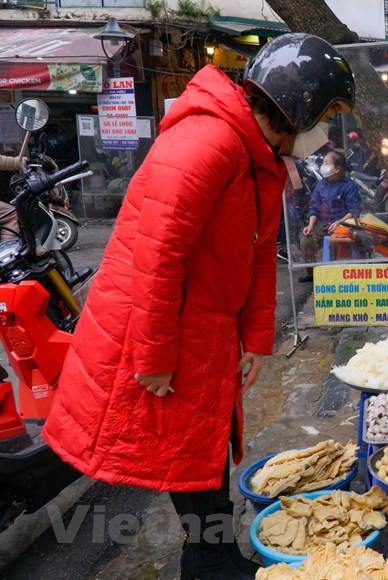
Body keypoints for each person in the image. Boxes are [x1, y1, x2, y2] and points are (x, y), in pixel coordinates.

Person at [42, 33, 354, 579]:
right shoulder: (208, 142)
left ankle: (214, 554)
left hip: (205, 328)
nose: (324, 134)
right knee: (182, 452)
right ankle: (209, 560)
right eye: (325, 117)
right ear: (296, 107)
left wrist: (257, 339)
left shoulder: (261, 156)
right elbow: (158, 256)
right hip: (159, 326)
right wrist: (154, 356)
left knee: (203, 448)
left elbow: (261, 252)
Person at [299, 151, 361, 279]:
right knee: (306, 242)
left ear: (337, 169)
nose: (323, 166)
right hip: (322, 224)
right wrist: (310, 225)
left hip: (341, 226)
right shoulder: (321, 185)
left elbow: (354, 210)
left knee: (334, 244)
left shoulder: (349, 186)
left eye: (327, 163)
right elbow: (314, 207)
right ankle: (312, 275)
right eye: (323, 163)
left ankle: (334, 277)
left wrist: (339, 222)